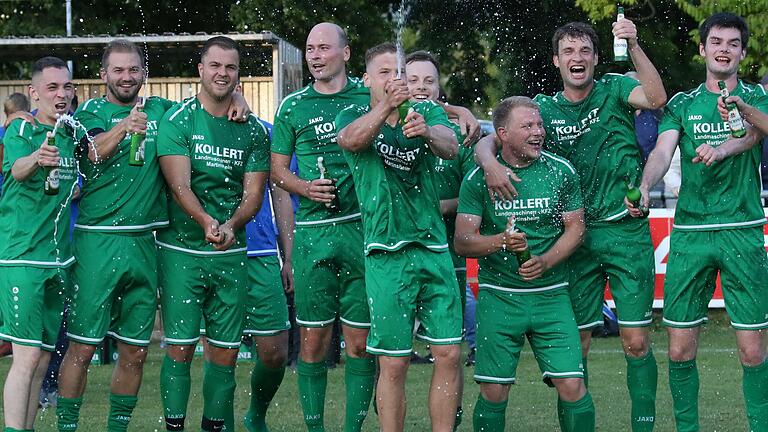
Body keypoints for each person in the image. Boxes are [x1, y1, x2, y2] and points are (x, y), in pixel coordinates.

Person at [474, 18, 666, 431]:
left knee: (635, 342)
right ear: (556, 61)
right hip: (572, 240)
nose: (577, 58)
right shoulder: (541, 109)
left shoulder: (615, 89)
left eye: (584, 51)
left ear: (597, 58)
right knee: (575, 351)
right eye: (568, 52)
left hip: (623, 229)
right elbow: (494, 135)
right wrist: (489, 163)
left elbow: (655, 96)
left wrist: (632, 44)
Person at [56, 38, 250, 432]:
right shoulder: (90, 112)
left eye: (134, 70)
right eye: (118, 70)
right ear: (103, 74)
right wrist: (123, 127)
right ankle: (66, 427)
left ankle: (117, 429)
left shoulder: (163, 110)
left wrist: (239, 97)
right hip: (99, 240)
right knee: (82, 346)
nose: (127, 77)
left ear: (144, 74)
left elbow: (208, 98)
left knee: (135, 351)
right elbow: (91, 153)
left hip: (147, 242)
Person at [629, 13, 768, 431]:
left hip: (742, 230)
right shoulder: (682, 104)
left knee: (752, 352)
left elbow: (759, 131)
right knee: (678, 350)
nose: (724, 49)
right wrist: (646, 185)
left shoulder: (755, 97)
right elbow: (661, 152)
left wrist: (739, 110)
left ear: (742, 52)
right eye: (716, 42)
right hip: (689, 233)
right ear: (703, 49)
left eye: (732, 43)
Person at [336, 42, 462, 432]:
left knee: (450, 354)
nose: (395, 80)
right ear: (367, 79)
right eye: (385, 73)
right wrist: (386, 107)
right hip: (384, 254)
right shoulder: (354, 113)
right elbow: (352, 141)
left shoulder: (423, 111)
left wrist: (426, 133)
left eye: (400, 73)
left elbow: (451, 146)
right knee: (393, 360)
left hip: (433, 248)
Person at [455, 95, 593, 432]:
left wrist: (545, 261)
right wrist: (501, 241)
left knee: (573, 385)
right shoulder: (477, 179)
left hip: (552, 295)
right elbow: (462, 242)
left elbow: (576, 227)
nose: (538, 132)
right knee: (494, 390)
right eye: (527, 126)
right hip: (499, 296)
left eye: (540, 125)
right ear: (502, 133)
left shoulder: (561, 171)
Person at [156, 36, 270, 432]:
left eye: (231, 67)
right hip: (181, 253)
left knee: (225, 353)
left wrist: (232, 226)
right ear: (200, 69)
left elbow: (254, 193)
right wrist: (206, 221)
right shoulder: (178, 121)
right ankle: (173, 426)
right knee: (181, 349)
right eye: (215, 66)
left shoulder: (253, 130)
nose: (222, 73)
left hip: (230, 254)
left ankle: (214, 427)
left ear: (239, 74)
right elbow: (179, 186)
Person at [270, 22, 375, 432]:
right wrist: (306, 188)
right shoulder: (292, 106)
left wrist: (458, 114)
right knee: (312, 342)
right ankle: (315, 428)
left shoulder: (370, 98)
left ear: (346, 54)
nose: (314, 56)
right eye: (310, 49)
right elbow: (277, 171)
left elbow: (424, 103)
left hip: (362, 230)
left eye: (324, 48)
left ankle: (352, 428)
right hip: (314, 235)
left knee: (360, 345)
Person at [0, 56, 77, 432]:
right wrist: (36, 158)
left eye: (66, 87)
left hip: (57, 261)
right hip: (22, 260)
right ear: (34, 93)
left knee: (44, 361)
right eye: (52, 88)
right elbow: (16, 169)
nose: (61, 94)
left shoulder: (72, 133)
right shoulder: (20, 131)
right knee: (26, 358)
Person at [405, 49, 476, 427]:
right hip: (396, 254)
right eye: (412, 79)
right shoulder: (385, 123)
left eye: (428, 81)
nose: (420, 87)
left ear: (439, 87)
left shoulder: (456, 135)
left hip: (446, 254)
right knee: (393, 354)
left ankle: (451, 410)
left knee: (448, 349)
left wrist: (429, 207)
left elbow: (468, 199)